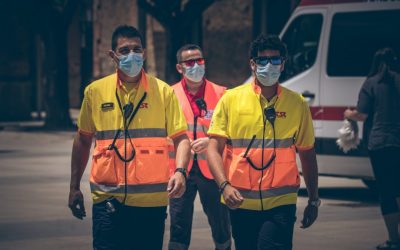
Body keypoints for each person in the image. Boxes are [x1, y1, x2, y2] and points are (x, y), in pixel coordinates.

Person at [68, 25, 191, 250]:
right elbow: (83, 139)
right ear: (112, 55)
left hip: (150, 202)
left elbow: (181, 137)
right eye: (124, 51)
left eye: (136, 49)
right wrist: (74, 187)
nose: (131, 55)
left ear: (144, 52)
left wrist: (181, 171)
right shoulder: (95, 92)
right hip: (108, 199)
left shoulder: (163, 92)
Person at [207, 34, 320, 250]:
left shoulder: (297, 103)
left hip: (281, 202)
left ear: (283, 64)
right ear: (252, 64)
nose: (269, 65)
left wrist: (313, 199)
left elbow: (307, 153)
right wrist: (224, 186)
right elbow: (213, 148)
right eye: (262, 60)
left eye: (275, 60)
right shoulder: (231, 99)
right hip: (240, 199)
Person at [168, 44, 231, 250]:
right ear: (180, 68)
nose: (196, 65)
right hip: (180, 171)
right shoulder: (169, 95)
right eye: (190, 62)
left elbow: (234, 132)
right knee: (178, 225)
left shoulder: (222, 93)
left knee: (220, 224)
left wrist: (212, 142)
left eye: (199, 61)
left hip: (212, 171)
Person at [344, 47, 400, 250]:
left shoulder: (372, 83)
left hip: (381, 144)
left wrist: (349, 114)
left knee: (387, 192)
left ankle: (394, 240)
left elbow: (362, 114)